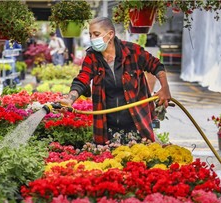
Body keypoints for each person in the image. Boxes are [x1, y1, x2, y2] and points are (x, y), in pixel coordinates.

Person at [59, 17, 171, 145]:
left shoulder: (132, 51)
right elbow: (82, 79)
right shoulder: (92, 57)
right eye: (90, 35)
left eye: (96, 34)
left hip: (137, 123)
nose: (92, 39)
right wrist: (69, 99)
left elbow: (156, 65)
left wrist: (165, 88)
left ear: (110, 34)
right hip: (107, 127)